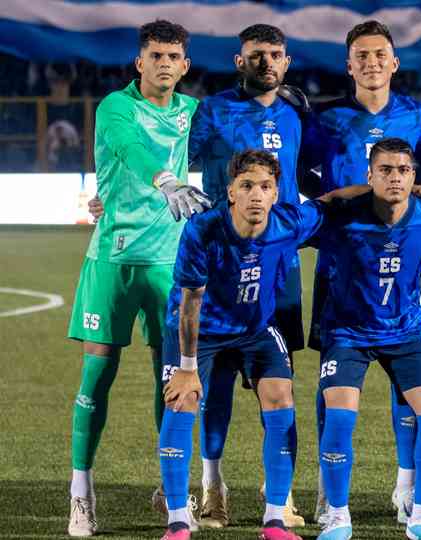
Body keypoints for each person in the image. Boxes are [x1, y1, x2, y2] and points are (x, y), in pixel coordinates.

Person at [66, 20, 210, 537]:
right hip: (111, 260)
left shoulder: (195, 112)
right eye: (155, 55)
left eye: (173, 55)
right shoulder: (116, 106)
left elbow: (233, 140)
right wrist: (167, 178)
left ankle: (172, 489)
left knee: (170, 380)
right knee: (96, 376)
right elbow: (130, 147)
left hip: (169, 264)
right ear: (139, 62)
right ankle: (81, 492)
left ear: (185, 65)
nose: (164, 63)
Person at [296, 21, 421, 524]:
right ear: (349, 64)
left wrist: (420, 192)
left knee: (407, 369)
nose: (372, 62)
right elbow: (299, 173)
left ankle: (407, 485)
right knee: (333, 375)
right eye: (362, 54)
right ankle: (325, 487)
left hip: (398, 263)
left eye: (381, 53)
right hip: (341, 264)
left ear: (394, 62)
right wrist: (339, 203)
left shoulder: (418, 115)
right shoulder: (328, 121)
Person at [157, 150, 321, 540]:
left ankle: (275, 519)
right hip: (201, 328)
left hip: (254, 327)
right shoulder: (204, 229)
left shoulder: (289, 222)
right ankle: (179, 519)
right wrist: (186, 367)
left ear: (276, 193)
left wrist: (409, 188)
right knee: (182, 400)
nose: (256, 195)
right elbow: (190, 304)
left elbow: (332, 203)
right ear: (230, 192)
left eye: (265, 187)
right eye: (247, 186)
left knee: (281, 396)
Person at [186, 23, 308, 529]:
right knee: (214, 389)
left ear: (286, 61)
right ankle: (212, 487)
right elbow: (176, 162)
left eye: (275, 55)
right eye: (256, 55)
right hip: (224, 264)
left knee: (277, 385)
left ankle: (277, 492)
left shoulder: (299, 111)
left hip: (281, 269)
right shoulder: (211, 110)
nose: (266, 63)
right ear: (239, 62)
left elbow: (318, 172)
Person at [312, 138, 421, 540]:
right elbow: (309, 213)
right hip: (347, 331)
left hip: (405, 330)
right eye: (386, 170)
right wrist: (342, 194)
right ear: (369, 175)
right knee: (340, 414)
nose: (395, 178)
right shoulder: (341, 218)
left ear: (415, 176)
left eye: (404, 171)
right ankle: (337, 515)